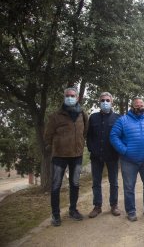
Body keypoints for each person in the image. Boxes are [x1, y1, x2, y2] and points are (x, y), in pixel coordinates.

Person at [110, 96, 144, 221]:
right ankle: (131, 211)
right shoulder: (123, 120)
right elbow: (114, 136)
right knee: (129, 187)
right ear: (132, 106)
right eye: (137, 105)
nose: (139, 107)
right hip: (128, 161)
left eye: (141, 105)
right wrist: (124, 150)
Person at [44, 87, 88, 227]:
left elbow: (85, 132)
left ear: (77, 98)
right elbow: (47, 136)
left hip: (77, 156)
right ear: (64, 97)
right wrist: (56, 147)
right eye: (67, 95)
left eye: (72, 95)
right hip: (59, 156)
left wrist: (80, 146)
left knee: (75, 184)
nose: (70, 98)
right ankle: (55, 215)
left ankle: (73, 210)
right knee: (56, 185)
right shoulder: (55, 116)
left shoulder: (82, 114)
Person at [87, 92, 121, 218]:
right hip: (96, 156)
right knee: (96, 182)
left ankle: (114, 205)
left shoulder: (118, 118)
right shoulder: (93, 117)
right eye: (103, 100)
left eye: (107, 100)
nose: (105, 102)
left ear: (112, 102)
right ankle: (97, 206)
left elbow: (121, 136)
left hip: (112, 155)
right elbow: (89, 136)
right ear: (99, 102)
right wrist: (91, 149)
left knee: (114, 182)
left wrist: (119, 150)